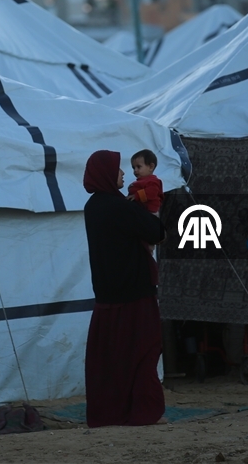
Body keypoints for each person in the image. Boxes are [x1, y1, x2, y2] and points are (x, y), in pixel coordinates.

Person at [82, 150, 166, 427]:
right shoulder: (120, 206)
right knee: (143, 353)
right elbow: (156, 232)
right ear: (106, 174)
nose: (123, 174)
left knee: (111, 361)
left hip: (106, 296)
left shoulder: (92, 207)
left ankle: (110, 413)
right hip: (135, 293)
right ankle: (143, 411)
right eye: (118, 169)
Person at [127, 149, 163, 215]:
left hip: (150, 212)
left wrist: (136, 196)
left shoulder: (153, 181)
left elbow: (151, 192)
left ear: (151, 167)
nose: (135, 170)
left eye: (138, 167)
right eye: (133, 168)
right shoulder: (138, 182)